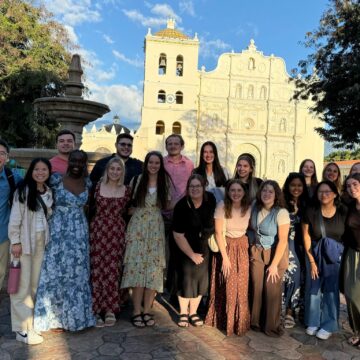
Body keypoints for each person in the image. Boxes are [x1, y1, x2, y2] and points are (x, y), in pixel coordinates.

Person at [34, 150, 96, 331]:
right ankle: (54, 319)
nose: (77, 164)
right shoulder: (55, 180)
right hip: (57, 231)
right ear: (69, 161)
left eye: (81, 161)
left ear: (84, 164)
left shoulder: (88, 183)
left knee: (77, 273)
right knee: (54, 272)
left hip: (79, 233)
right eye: (74, 160)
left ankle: (75, 318)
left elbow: (90, 208)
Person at [121, 151, 171, 327]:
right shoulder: (137, 180)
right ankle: (136, 310)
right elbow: (128, 202)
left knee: (153, 269)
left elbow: (169, 204)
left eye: (157, 163)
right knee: (136, 268)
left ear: (160, 165)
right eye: (151, 162)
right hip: (138, 228)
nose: (154, 165)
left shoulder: (165, 181)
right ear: (146, 163)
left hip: (155, 228)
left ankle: (147, 310)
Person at [8, 158, 53, 345]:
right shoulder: (23, 191)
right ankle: (21, 329)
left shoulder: (49, 192)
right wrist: (16, 242)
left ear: (49, 172)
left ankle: (29, 323)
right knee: (21, 287)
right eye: (36, 169)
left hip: (41, 243)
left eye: (44, 169)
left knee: (34, 285)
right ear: (31, 171)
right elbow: (15, 219)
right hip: (24, 243)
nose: (40, 172)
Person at [205, 179, 251, 336]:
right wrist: (225, 257)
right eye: (233, 190)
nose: (236, 193)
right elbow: (218, 233)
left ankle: (240, 321)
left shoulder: (248, 207)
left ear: (244, 192)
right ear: (228, 192)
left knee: (242, 285)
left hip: (243, 248)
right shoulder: (222, 207)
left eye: (239, 190)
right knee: (228, 282)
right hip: (227, 247)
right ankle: (224, 320)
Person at [302, 180, 347, 340]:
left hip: (334, 254)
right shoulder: (311, 210)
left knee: (331, 290)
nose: (324, 194)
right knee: (314, 287)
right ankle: (313, 321)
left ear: (335, 194)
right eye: (321, 191)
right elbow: (306, 235)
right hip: (314, 252)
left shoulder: (343, 211)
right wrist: (312, 261)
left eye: (328, 191)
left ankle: (329, 324)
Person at [90, 157, 131, 327]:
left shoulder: (127, 190)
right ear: (107, 170)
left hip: (116, 232)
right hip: (98, 231)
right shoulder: (97, 187)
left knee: (114, 269)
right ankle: (96, 309)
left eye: (118, 169)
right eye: (112, 168)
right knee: (97, 269)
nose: (115, 172)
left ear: (122, 172)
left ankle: (109, 309)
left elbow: (130, 209)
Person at [172, 174, 216, 327]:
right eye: (192, 187)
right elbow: (177, 235)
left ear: (203, 188)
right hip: (185, 248)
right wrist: (191, 254)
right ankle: (184, 313)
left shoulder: (210, 201)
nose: (195, 189)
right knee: (186, 280)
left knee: (200, 281)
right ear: (188, 189)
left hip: (203, 247)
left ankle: (193, 312)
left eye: (198, 186)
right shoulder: (181, 206)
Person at [248, 180, 290, 337]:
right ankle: (255, 322)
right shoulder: (255, 207)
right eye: (264, 190)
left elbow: (283, 240)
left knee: (271, 289)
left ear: (276, 194)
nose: (266, 194)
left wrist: (273, 265)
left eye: (270, 191)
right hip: (257, 251)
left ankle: (271, 326)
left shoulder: (281, 213)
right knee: (256, 286)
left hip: (275, 253)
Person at [282, 173, 309, 328]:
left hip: (303, 246)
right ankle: (289, 312)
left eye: (299, 185)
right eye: (293, 185)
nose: (296, 188)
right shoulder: (282, 203)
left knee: (302, 279)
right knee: (292, 277)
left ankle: (298, 310)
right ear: (288, 186)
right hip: (287, 245)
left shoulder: (307, 204)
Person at [0, 139, 22, 291]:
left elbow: (32, 185)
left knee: (0, 273)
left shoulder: (12, 177)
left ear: (7, 157)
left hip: (2, 235)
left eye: (2, 153)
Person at [341, 174, 360, 347]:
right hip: (352, 253)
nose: (351, 188)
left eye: (355, 184)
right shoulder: (349, 205)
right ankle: (357, 330)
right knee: (351, 294)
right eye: (348, 186)